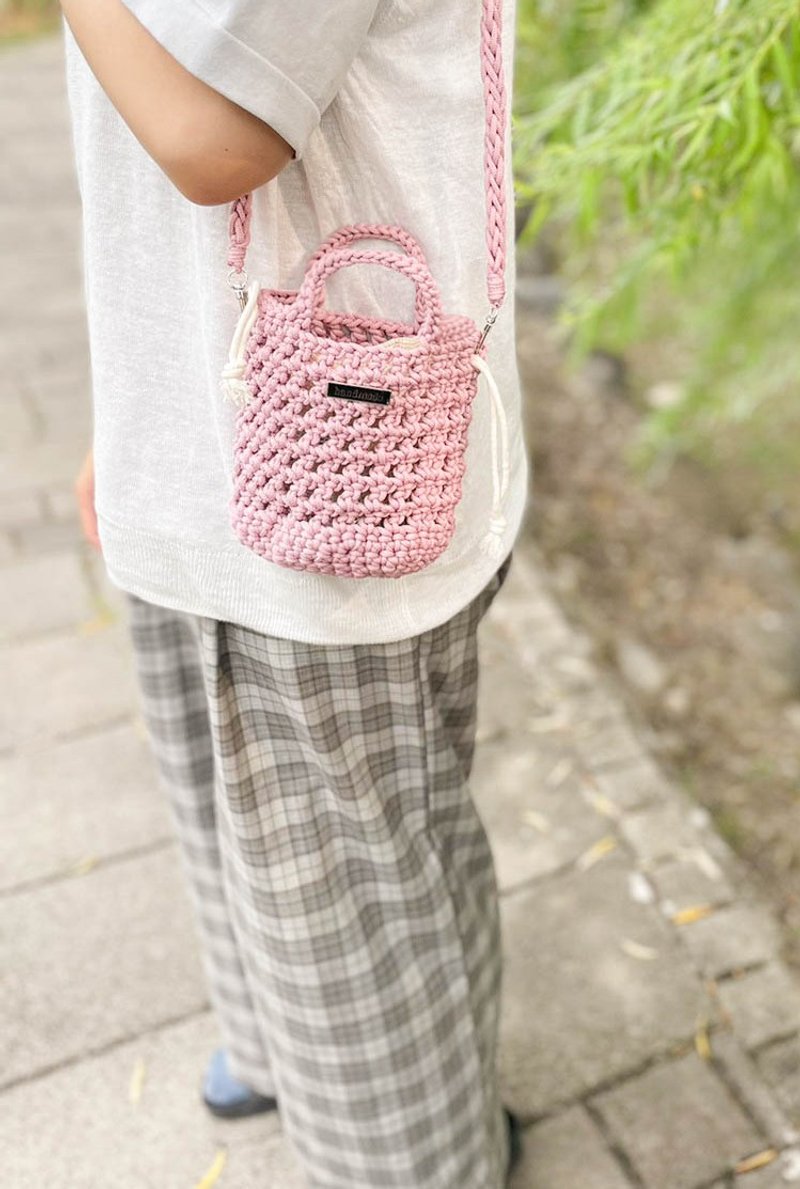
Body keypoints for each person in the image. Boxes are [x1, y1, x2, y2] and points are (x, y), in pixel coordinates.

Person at [60, 0, 531, 1184]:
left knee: (354, 882)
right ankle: (275, 1038)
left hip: (338, 467)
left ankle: (414, 1157)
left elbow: (213, 143)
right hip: (201, 423)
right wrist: (132, 401)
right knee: (235, 800)